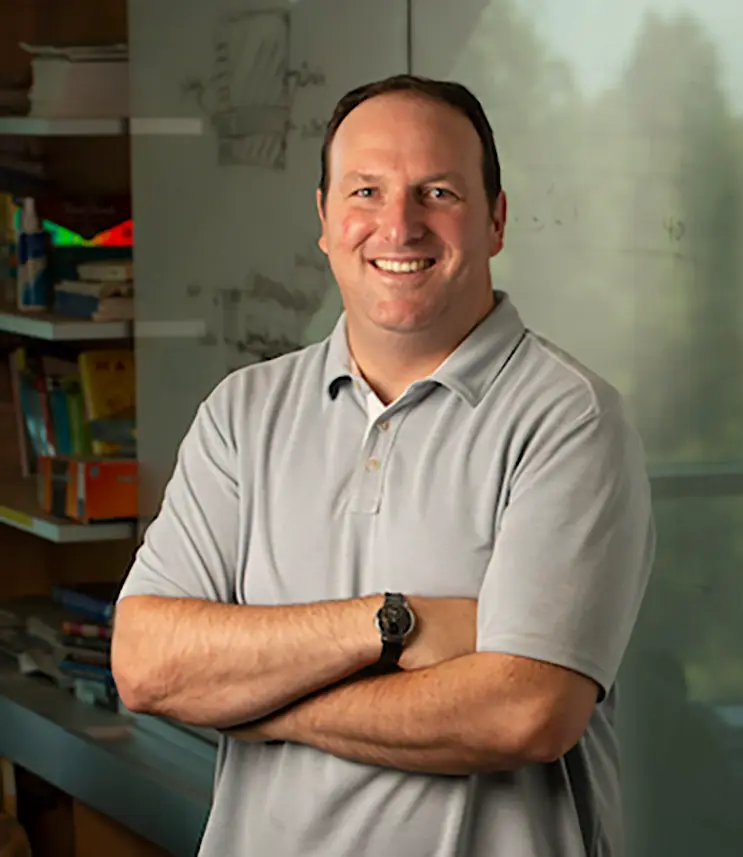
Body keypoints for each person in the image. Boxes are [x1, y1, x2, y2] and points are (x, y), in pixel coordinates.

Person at [110, 74, 657, 857]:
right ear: (326, 221)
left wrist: (261, 703)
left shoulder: (569, 418)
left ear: (496, 220)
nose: (398, 225)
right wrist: (392, 623)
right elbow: (146, 664)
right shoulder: (244, 412)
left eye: (438, 192)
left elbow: (525, 711)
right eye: (366, 191)